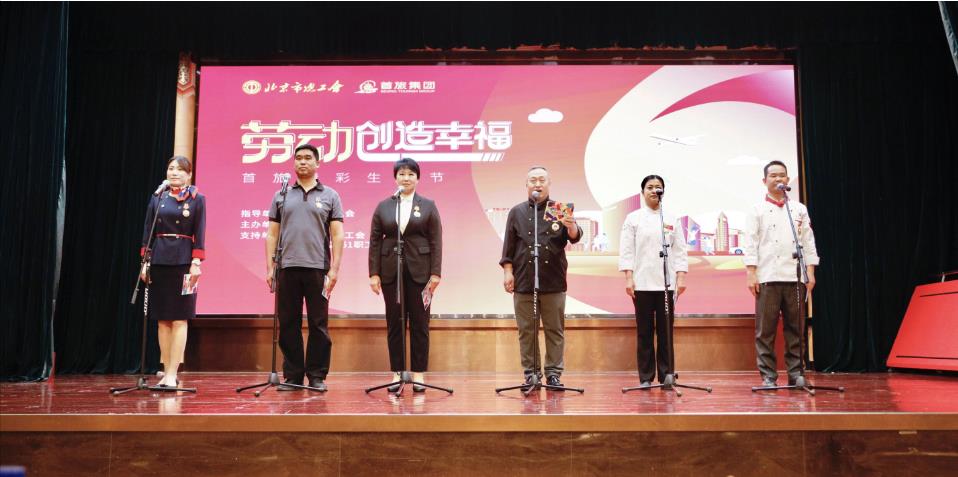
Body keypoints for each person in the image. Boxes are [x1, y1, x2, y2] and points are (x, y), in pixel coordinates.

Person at [265, 144, 344, 392]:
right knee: (288, 323)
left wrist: (334, 269)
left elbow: (338, 234)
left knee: (318, 324)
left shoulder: (330, 195)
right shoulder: (282, 195)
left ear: (317, 163)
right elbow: (272, 234)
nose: (302, 162)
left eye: (308, 158)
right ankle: (293, 376)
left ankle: (317, 375)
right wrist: (270, 267)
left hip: (318, 268)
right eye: (298, 158)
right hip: (287, 267)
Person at [499, 166, 582, 387]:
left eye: (542, 180)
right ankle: (531, 373)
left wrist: (572, 225)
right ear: (526, 184)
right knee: (527, 331)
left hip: (553, 279)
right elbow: (509, 247)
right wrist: (508, 272)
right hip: (524, 279)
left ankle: (554, 373)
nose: (537, 184)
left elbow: (574, 237)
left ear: (549, 183)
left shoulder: (558, 209)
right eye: (533, 180)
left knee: (555, 330)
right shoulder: (516, 212)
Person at [368, 158, 442, 392]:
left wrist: (436, 273)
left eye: (411, 174)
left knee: (420, 323)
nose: (406, 178)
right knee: (395, 323)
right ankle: (397, 372)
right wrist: (374, 273)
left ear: (417, 178)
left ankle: (418, 373)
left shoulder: (428, 205)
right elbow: (375, 241)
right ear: (395, 178)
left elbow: (436, 240)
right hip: (391, 272)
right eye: (401, 174)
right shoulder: (384, 206)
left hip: (421, 272)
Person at [744, 160, 819, 388]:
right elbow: (751, 243)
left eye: (782, 175)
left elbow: (808, 241)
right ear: (764, 180)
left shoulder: (798, 209)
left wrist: (810, 271)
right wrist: (751, 273)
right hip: (767, 276)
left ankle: (796, 374)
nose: (778, 179)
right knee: (765, 331)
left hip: (795, 277)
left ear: (787, 179)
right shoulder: (757, 210)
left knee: (796, 329)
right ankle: (768, 376)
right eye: (773, 175)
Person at [139, 156, 206, 388]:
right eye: (171, 168)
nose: (174, 172)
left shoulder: (197, 199)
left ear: (189, 174)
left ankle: (172, 372)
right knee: (162, 319)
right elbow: (148, 231)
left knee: (179, 318)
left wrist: (196, 262)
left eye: (180, 169)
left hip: (184, 262)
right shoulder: (158, 197)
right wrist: (145, 261)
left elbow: (200, 233)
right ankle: (166, 370)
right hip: (159, 260)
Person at [618, 175, 688, 386]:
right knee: (645, 331)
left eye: (658, 187)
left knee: (666, 332)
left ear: (663, 192)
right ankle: (646, 377)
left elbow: (680, 250)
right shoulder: (633, 218)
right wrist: (628, 278)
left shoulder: (671, 219)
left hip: (667, 284)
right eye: (650, 187)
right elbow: (627, 250)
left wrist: (681, 277)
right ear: (642, 192)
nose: (654, 190)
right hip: (641, 282)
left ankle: (667, 375)